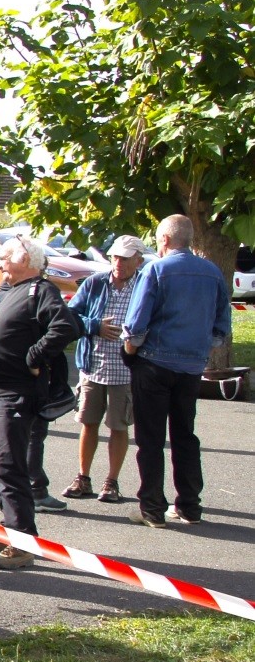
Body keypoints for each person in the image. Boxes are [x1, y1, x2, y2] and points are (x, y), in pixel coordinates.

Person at [0, 235, 79, 569]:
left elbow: (66, 326)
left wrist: (35, 355)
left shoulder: (41, 290)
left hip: (16, 393)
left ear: (25, 260)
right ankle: (9, 530)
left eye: (4, 257)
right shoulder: (8, 290)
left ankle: (22, 541)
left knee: (10, 465)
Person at [122, 214, 233, 527]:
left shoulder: (156, 269)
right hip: (191, 365)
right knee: (185, 435)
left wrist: (131, 350)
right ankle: (189, 505)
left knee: (151, 438)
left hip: (155, 361)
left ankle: (153, 509)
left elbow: (136, 324)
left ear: (165, 240)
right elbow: (222, 323)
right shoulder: (212, 272)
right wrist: (200, 348)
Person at [62, 235, 148, 504]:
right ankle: (82, 477)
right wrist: (95, 325)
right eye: (115, 257)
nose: (118, 263)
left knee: (118, 426)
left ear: (139, 260)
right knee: (88, 423)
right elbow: (71, 314)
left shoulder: (145, 285)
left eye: (125, 258)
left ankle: (111, 481)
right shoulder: (95, 283)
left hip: (126, 370)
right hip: (93, 366)